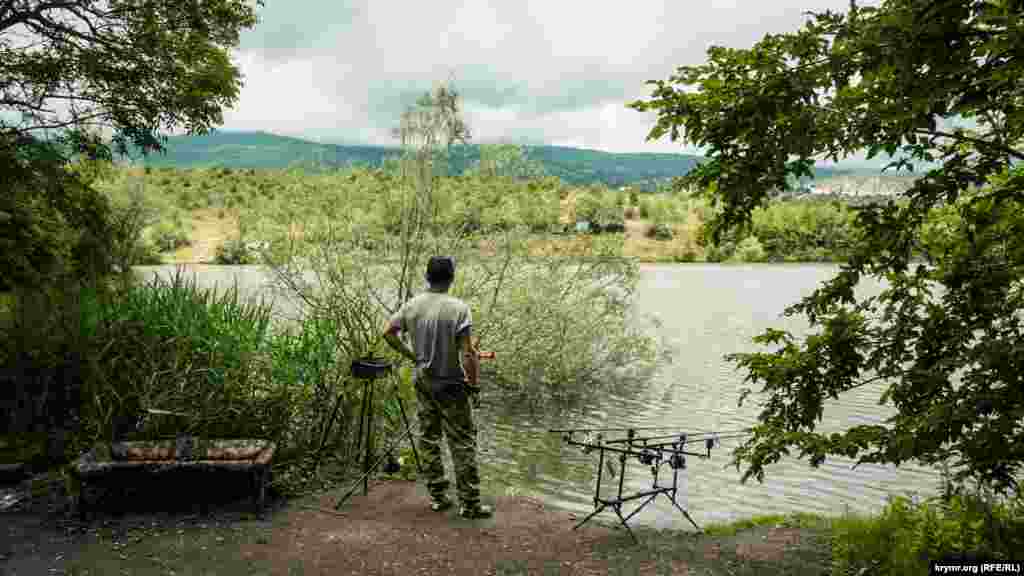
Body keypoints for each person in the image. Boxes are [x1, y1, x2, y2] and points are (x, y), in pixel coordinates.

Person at [382, 256, 493, 519]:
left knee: (429, 439)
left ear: (427, 277)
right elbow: (468, 354)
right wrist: (474, 385)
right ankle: (470, 504)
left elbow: (388, 332)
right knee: (462, 443)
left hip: (424, 381)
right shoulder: (459, 309)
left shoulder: (412, 305)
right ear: (451, 277)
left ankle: (438, 497)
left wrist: (412, 356)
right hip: (452, 385)